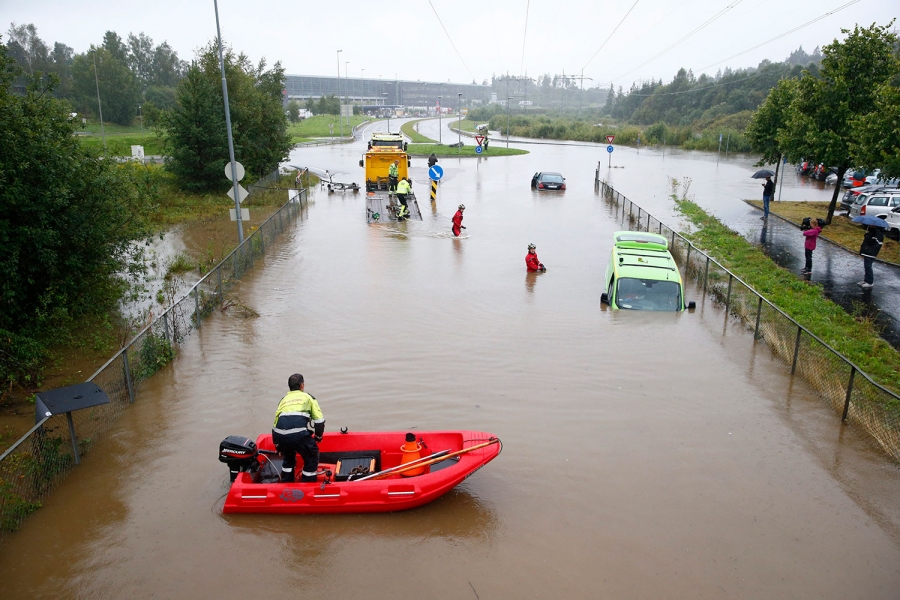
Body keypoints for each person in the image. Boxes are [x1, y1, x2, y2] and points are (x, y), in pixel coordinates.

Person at [272, 373, 325, 483]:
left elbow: (276, 422)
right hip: (298, 434)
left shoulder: (283, 399)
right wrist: (318, 437)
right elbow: (319, 421)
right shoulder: (308, 398)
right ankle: (307, 485)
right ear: (302, 386)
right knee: (312, 455)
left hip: (279, 435)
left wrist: (278, 446)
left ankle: (286, 484)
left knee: (288, 456)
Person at [858, 217, 886, 289]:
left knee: (868, 266)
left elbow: (875, 243)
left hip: (871, 253)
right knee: (866, 266)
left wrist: (867, 237)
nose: (870, 225)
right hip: (867, 252)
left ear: (875, 225)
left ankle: (870, 282)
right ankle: (866, 280)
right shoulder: (872, 232)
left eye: (871, 224)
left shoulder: (878, 234)